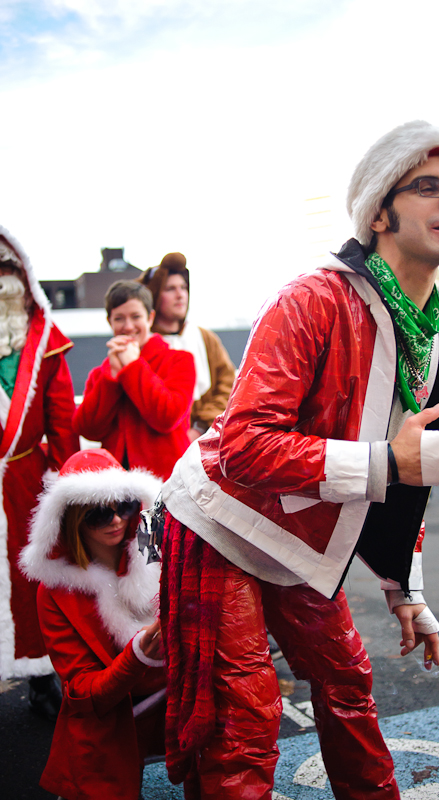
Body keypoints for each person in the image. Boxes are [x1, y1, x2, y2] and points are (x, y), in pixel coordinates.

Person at [157, 120, 439, 799]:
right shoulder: (312, 297)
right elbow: (244, 445)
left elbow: (406, 476)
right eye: (430, 188)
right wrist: (388, 464)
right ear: (379, 212)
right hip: (222, 523)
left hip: (301, 545)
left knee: (347, 685)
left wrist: (405, 589)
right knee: (243, 724)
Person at [20, 448, 165, 800]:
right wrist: (138, 655)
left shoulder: (155, 549)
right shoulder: (55, 590)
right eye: (99, 514)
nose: (116, 520)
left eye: (124, 505)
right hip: (111, 713)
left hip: (174, 695)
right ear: (71, 519)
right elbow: (81, 693)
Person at [0, 226, 79, 718]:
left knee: (31, 579)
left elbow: (63, 424)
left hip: (24, 478)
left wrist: (65, 485)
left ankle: (40, 674)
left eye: (7, 272)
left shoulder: (46, 340)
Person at [73, 280, 195, 480]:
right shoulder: (101, 374)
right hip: (115, 488)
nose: (128, 326)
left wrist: (133, 366)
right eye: (119, 318)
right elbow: (87, 429)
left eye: (136, 316)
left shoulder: (180, 360)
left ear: (150, 317)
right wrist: (111, 378)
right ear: (109, 321)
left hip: (165, 485)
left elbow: (167, 417)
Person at [139, 252, 235, 441]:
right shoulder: (143, 343)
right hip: (159, 443)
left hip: (206, 440)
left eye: (184, 287)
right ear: (156, 295)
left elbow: (229, 385)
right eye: (170, 288)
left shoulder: (205, 337)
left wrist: (200, 427)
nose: (180, 294)